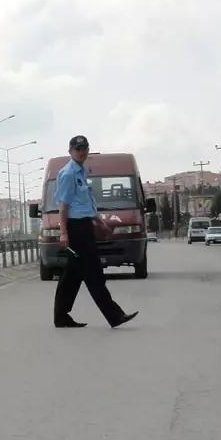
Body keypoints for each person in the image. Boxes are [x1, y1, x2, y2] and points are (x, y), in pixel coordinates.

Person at [53, 135, 139, 329]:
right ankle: (114, 315)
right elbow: (63, 206)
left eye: (85, 148)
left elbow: (86, 203)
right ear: (70, 152)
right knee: (93, 274)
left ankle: (61, 317)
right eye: (78, 149)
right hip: (75, 228)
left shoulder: (81, 171)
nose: (82, 152)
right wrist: (64, 233)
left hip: (84, 224)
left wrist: (100, 222)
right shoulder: (68, 174)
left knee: (72, 276)